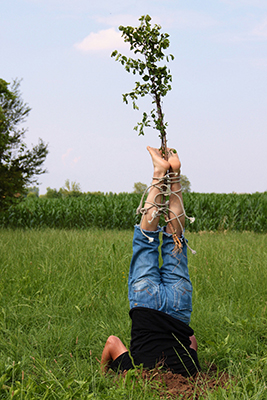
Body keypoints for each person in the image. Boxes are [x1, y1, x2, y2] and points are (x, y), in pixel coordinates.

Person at [100, 146, 200, 376]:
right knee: (146, 242)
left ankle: (173, 174)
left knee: (176, 239)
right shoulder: (137, 374)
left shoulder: (189, 372)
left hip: (178, 305)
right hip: (146, 302)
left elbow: (191, 340)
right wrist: (104, 374)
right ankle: (159, 173)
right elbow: (112, 342)